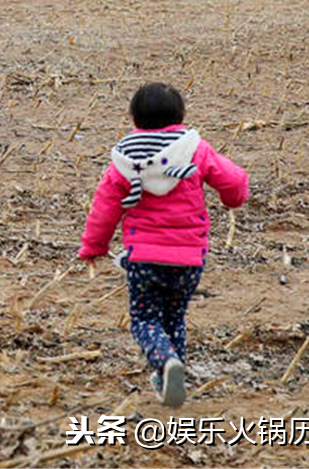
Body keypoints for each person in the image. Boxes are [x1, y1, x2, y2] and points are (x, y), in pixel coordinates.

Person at [77, 82, 248, 408]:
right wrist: (232, 199)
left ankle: (165, 363)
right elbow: (235, 181)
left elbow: (105, 207)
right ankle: (169, 374)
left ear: (133, 118)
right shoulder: (194, 149)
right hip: (189, 259)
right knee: (174, 318)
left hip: (143, 260)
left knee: (145, 320)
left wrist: (94, 246)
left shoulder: (124, 159)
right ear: (180, 116)